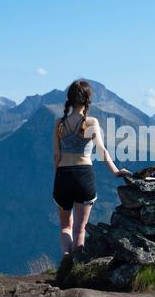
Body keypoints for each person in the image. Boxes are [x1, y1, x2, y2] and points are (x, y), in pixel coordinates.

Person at [53, 80, 131, 261]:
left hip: (63, 176)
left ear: (69, 98)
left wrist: (58, 176)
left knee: (65, 226)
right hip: (84, 176)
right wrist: (116, 171)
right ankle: (75, 266)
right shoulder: (91, 122)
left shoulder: (59, 123)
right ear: (88, 99)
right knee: (80, 228)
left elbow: (56, 156)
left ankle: (66, 258)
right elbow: (102, 151)